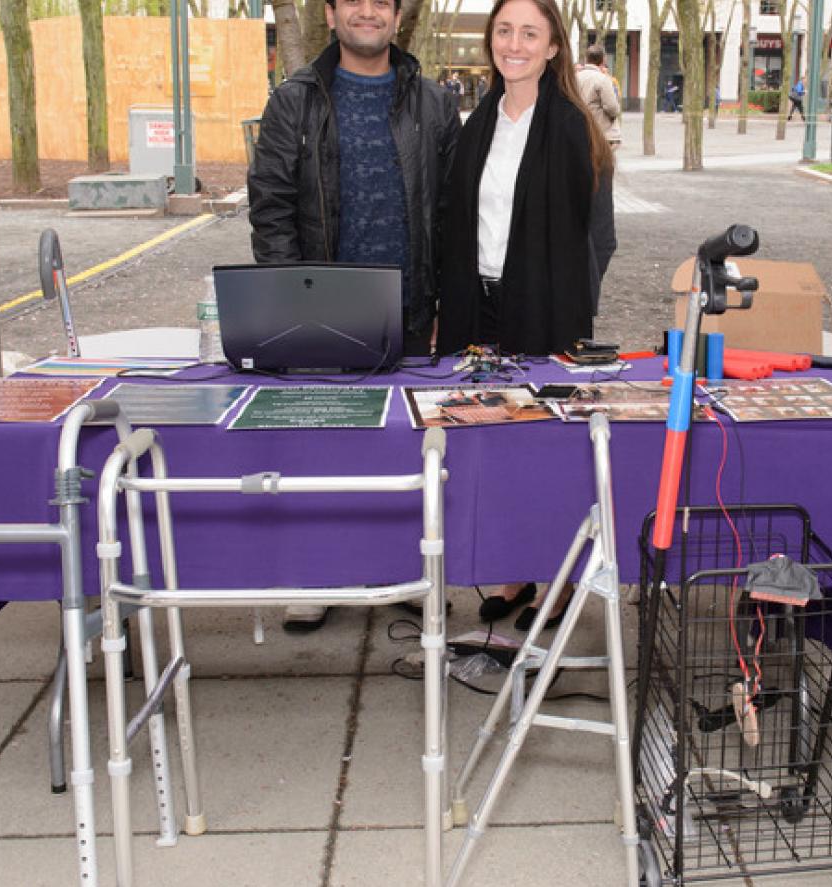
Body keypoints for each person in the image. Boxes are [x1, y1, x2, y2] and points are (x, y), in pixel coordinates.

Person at [247, 0, 460, 633]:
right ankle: (315, 573)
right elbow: (272, 207)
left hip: (412, 308)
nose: (367, 11)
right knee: (320, 446)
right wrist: (290, 298)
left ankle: (405, 572)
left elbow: (452, 211)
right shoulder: (295, 102)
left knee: (407, 446)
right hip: (320, 307)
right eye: (353, 1)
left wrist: (450, 304)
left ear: (398, 17)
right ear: (333, 14)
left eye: (381, 2)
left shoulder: (435, 103)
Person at [435, 0, 613, 624]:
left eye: (529, 33)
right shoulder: (476, 122)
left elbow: (597, 236)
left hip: (544, 311)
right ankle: (512, 575)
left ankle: (557, 579)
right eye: (505, 30)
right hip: (476, 305)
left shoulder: (570, 126)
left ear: (552, 47)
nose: (514, 43)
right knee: (488, 440)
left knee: (545, 444)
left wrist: (571, 314)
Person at [574, 44, 619, 312]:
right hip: (597, 142)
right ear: (602, 59)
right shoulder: (602, 79)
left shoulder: (574, 78)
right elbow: (612, 108)